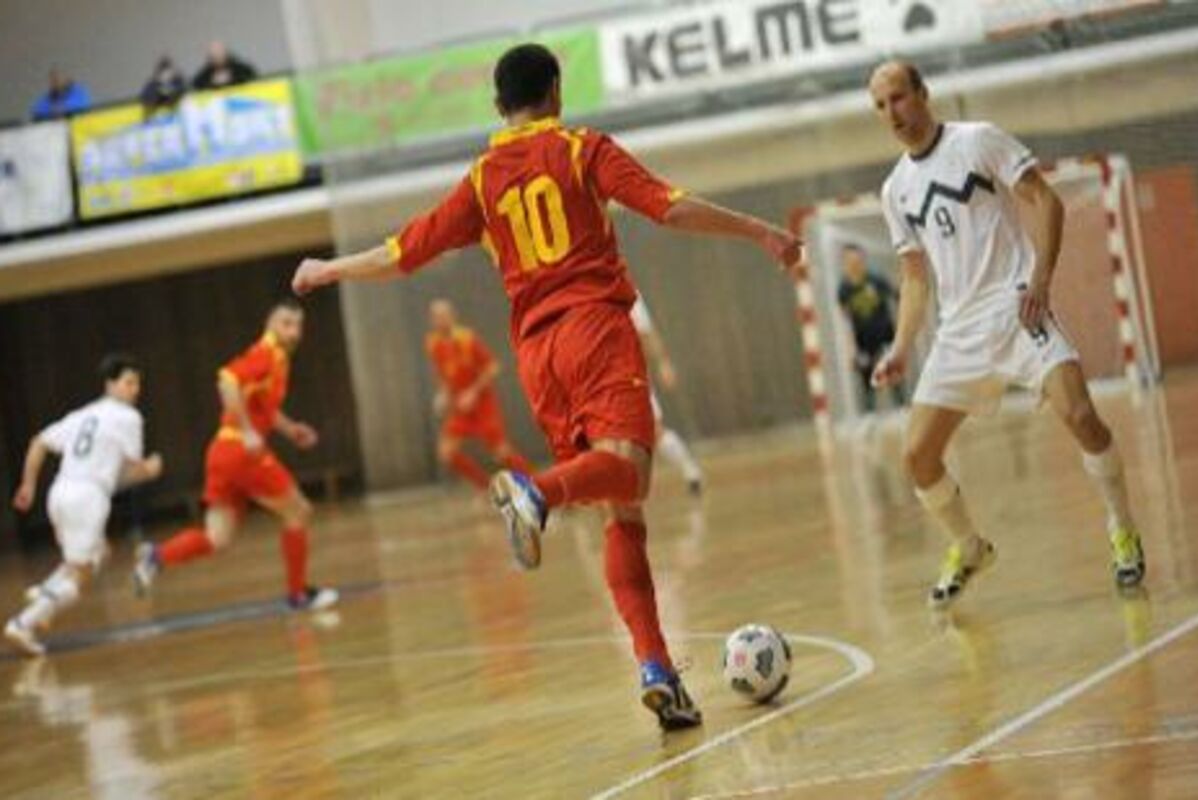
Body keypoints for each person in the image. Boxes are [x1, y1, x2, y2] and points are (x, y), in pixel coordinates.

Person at [291, 43, 802, 730]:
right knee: (629, 474)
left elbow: (403, 251)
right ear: (556, 90)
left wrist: (329, 270)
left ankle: (657, 670)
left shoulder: (481, 180)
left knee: (621, 513)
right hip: (595, 329)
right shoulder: (582, 147)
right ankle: (536, 492)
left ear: (498, 105)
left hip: (537, 354)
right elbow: (669, 207)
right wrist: (759, 232)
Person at [867, 60, 1145, 608]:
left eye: (897, 97)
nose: (891, 113)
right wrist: (900, 347)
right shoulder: (894, 189)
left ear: (922, 93)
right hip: (959, 332)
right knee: (918, 457)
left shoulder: (978, 140)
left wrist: (1040, 278)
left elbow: (1045, 199)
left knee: (1082, 416)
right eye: (880, 106)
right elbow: (915, 277)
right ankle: (969, 547)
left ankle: (1122, 527)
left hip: (1017, 310)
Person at [133, 299, 338, 612]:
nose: (294, 331)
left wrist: (290, 429)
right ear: (270, 325)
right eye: (286, 323)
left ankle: (156, 557)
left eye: (298, 325)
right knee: (298, 511)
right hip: (241, 452)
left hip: (222, 452)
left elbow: (264, 407)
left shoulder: (278, 359)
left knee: (217, 538)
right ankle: (298, 594)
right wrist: (247, 430)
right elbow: (227, 379)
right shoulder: (266, 353)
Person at [6, 354, 163, 656]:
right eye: (128, 382)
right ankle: (24, 622)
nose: (135, 389)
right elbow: (132, 469)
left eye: (137, 383)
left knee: (99, 553)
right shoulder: (129, 417)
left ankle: (45, 595)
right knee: (82, 576)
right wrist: (151, 469)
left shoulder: (83, 414)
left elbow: (38, 442)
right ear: (110, 384)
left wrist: (28, 485)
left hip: (59, 492)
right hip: (88, 498)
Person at [426, 298, 534, 490]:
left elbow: (492, 367)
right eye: (436, 316)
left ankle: (538, 485)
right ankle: (486, 487)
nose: (441, 320)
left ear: (453, 316)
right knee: (446, 452)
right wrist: (442, 394)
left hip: (483, 404)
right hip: (460, 408)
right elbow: (442, 373)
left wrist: (473, 392)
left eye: (444, 315)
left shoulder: (467, 338)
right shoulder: (433, 343)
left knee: (501, 452)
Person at [630, 293, 704, 495]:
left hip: (630, 375)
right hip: (597, 380)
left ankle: (690, 469)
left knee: (655, 431)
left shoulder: (625, 290)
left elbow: (646, 332)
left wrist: (663, 362)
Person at [836, 243, 905, 411]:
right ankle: (869, 414)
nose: (854, 264)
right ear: (844, 263)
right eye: (850, 261)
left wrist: (902, 331)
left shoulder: (876, 280)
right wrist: (850, 349)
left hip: (885, 335)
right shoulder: (843, 289)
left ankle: (902, 407)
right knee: (867, 379)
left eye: (857, 260)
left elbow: (898, 297)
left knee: (892, 373)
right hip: (863, 342)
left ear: (863, 260)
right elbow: (845, 321)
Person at [192, 41, 258, 90]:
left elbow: (253, 78)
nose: (218, 58)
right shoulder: (206, 73)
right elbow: (196, 85)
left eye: (220, 54)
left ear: (226, 54)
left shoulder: (240, 68)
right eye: (214, 56)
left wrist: (231, 79)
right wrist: (212, 82)